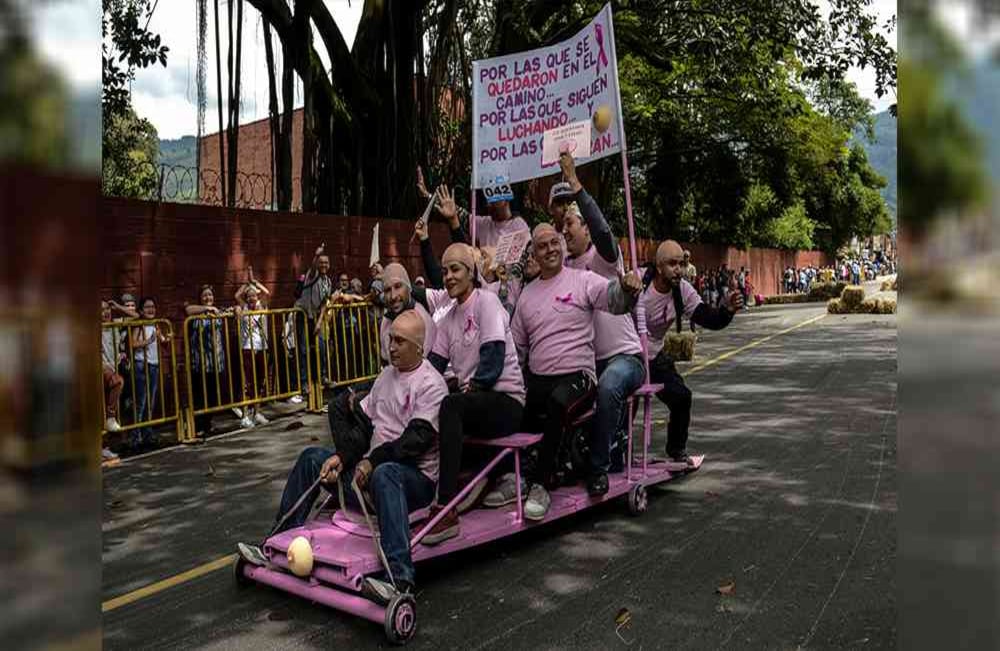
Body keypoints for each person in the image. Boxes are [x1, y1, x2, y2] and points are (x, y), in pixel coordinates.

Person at [237, 310, 448, 602]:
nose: (392, 346)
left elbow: (414, 443)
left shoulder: (432, 384)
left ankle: (400, 579)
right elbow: (363, 430)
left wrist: (371, 463)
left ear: (418, 347)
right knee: (312, 457)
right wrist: (343, 457)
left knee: (387, 472)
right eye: (390, 339)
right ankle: (275, 542)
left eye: (400, 341)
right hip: (371, 474)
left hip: (412, 480)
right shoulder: (386, 376)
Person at [500, 224, 641, 520]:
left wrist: (626, 288)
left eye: (555, 242)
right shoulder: (527, 295)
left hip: (578, 376)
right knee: (515, 405)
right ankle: (512, 476)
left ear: (562, 246)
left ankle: (542, 484)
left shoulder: (583, 280)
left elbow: (613, 300)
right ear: (534, 255)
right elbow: (517, 349)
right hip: (539, 378)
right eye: (542, 246)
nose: (550, 249)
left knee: (557, 403)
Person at [419, 243, 526, 544]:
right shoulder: (449, 317)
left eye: (455, 269)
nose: (449, 276)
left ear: (471, 272)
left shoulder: (487, 302)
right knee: (433, 403)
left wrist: (467, 391)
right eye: (444, 271)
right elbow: (432, 368)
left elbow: (492, 361)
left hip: (506, 402)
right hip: (475, 402)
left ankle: (446, 509)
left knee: (452, 406)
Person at [557, 152, 644, 494]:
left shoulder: (603, 259)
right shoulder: (562, 268)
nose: (564, 231)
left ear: (585, 229)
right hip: (585, 364)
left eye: (570, 225)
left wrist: (576, 185)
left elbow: (604, 231)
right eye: (562, 226)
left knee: (610, 386)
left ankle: (598, 468)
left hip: (625, 359)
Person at [642, 241, 742, 469]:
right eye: (672, 264)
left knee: (682, 397)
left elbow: (708, 318)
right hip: (627, 353)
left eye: (681, 264)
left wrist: (726, 310)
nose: (679, 269)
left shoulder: (682, 290)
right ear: (658, 267)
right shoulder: (641, 282)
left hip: (654, 355)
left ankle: (676, 450)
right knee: (627, 403)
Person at [292, 243, 333, 402]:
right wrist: (316, 255)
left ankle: (322, 376)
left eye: (326, 263)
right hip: (303, 315)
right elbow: (313, 266)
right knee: (303, 350)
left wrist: (319, 323)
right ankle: (303, 383)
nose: (323, 265)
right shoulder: (312, 275)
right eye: (321, 262)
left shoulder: (328, 282)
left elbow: (324, 304)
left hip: (316, 317)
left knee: (322, 346)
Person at [186, 285, 228, 435]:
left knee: (213, 395)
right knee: (199, 396)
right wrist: (206, 309)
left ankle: (208, 424)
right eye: (205, 295)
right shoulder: (196, 313)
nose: (208, 298)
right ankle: (198, 427)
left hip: (216, 362)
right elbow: (187, 309)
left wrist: (236, 310)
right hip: (200, 362)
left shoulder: (218, 311)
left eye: (210, 295)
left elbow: (236, 309)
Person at [130, 297, 170, 449]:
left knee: (150, 402)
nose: (150, 309)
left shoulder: (155, 324)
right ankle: (135, 436)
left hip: (154, 364)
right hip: (141, 364)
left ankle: (147, 433)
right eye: (147, 307)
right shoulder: (139, 325)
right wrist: (147, 341)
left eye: (152, 306)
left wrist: (166, 339)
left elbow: (161, 340)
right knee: (141, 401)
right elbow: (133, 343)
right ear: (141, 310)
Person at [235, 268, 272, 427]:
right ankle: (245, 415)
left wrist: (255, 282)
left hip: (262, 347)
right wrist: (246, 283)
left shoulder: (262, 306)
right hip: (247, 347)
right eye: (249, 296)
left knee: (260, 381)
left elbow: (268, 293)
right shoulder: (243, 308)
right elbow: (237, 296)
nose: (251, 298)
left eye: (254, 295)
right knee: (247, 383)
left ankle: (257, 412)